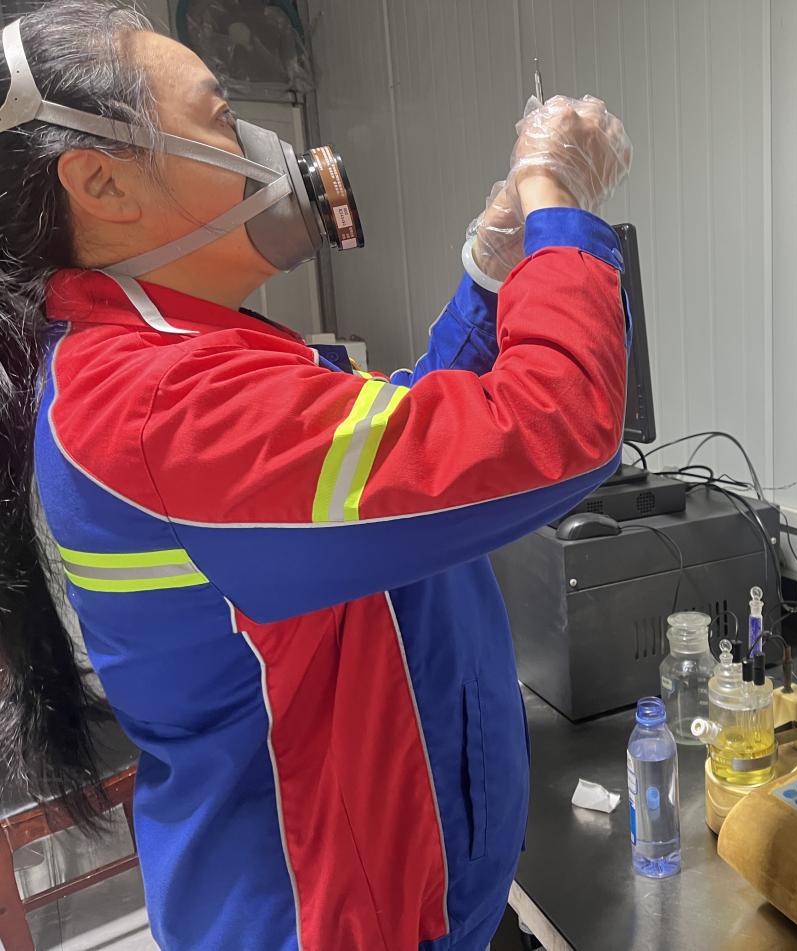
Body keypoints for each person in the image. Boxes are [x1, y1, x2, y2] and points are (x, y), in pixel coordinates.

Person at [0, 2, 632, 948]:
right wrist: (558, 203)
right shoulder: (159, 403)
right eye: (221, 119)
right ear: (103, 182)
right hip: (318, 920)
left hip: (402, 898)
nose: (262, 148)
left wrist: (491, 277)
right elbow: (554, 424)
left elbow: (402, 459)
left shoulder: (182, 360)